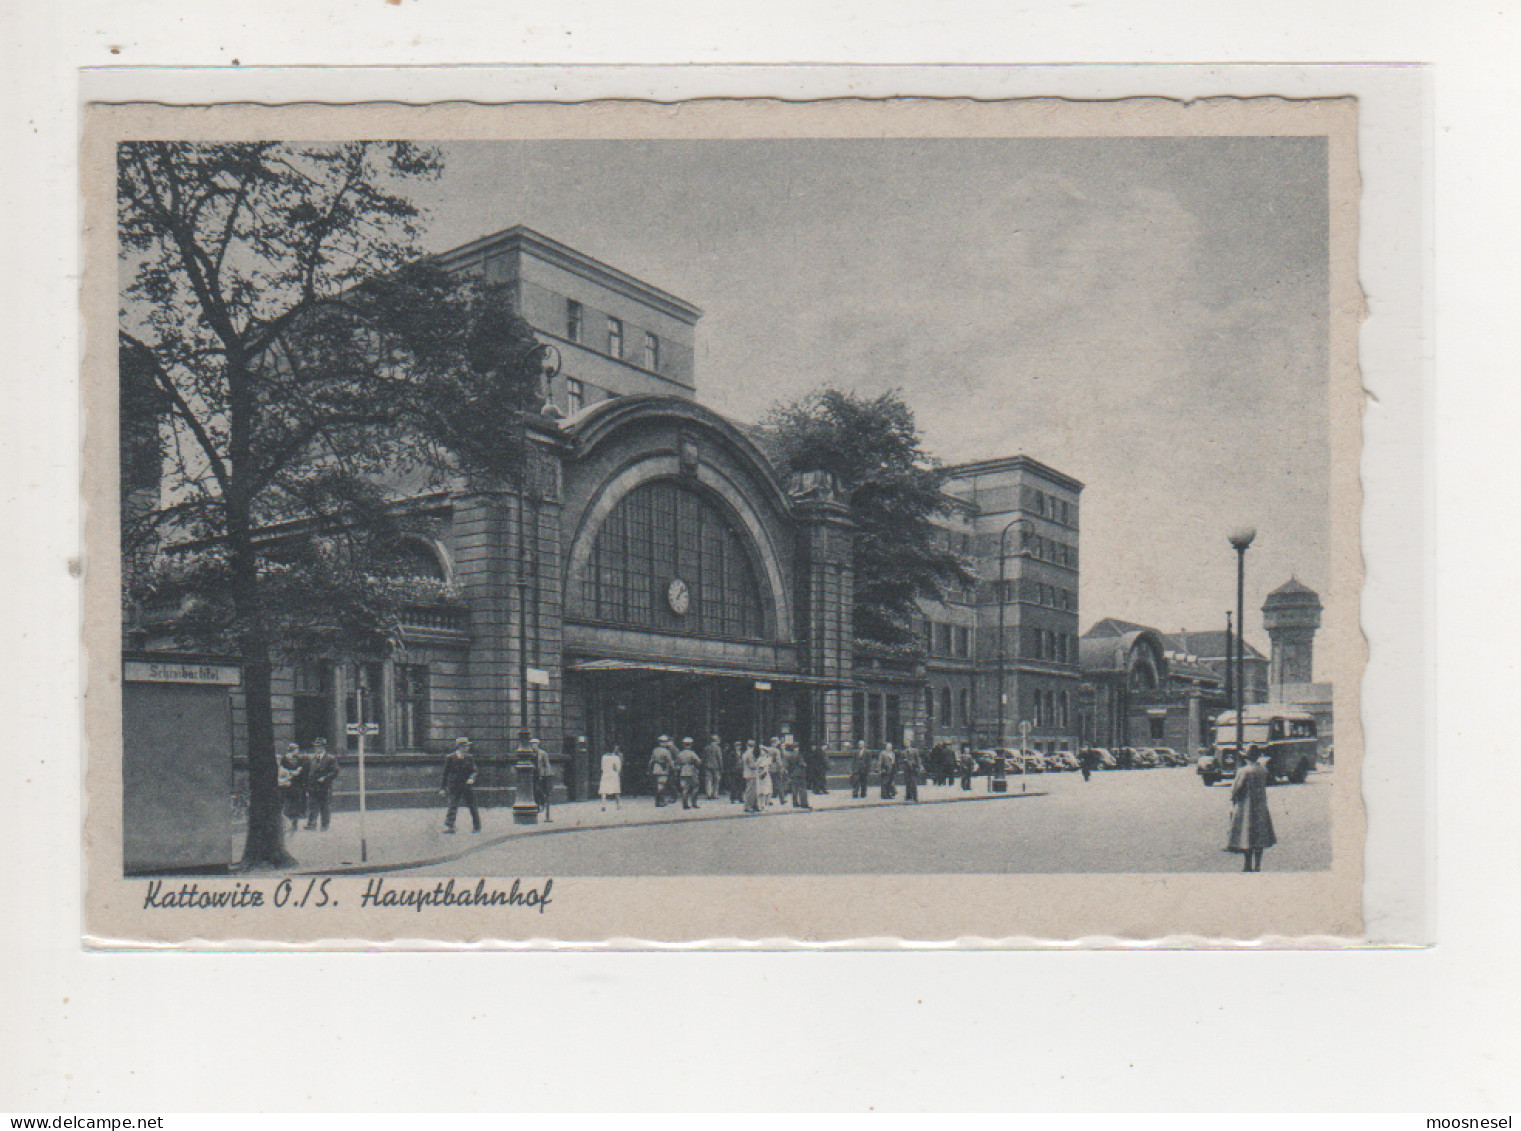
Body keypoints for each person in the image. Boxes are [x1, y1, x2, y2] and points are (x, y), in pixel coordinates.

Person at [1225, 749, 1277, 872]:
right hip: (1260, 807)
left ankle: (1247, 865)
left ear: (1246, 757)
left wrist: (1233, 798)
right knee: (1259, 836)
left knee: (1246, 835)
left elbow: (1236, 788)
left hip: (1246, 807)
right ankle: (1258, 865)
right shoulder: (1263, 770)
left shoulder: (1243, 771)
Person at [440, 736, 481, 834]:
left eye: (467, 746)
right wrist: (442, 788)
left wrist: (471, 778)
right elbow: (445, 774)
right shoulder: (450, 757)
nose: (467, 748)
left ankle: (477, 826)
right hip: (454, 785)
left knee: (472, 806)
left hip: (467, 785)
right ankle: (449, 826)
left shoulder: (469, 757)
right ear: (460, 747)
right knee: (453, 805)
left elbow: (474, 771)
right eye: (465, 746)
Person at [304, 737, 339, 831]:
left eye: (318, 747)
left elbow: (335, 772)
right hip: (313, 787)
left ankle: (324, 825)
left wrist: (325, 778)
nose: (316, 748)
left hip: (325, 787)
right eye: (315, 746)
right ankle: (311, 824)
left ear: (323, 747)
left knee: (325, 806)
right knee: (312, 806)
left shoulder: (330, 758)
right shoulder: (312, 758)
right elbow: (308, 772)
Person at [278, 742, 307, 833]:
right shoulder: (283, 759)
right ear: (293, 750)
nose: (298, 751)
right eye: (297, 750)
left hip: (297, 786)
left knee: (296, 805)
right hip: (285, 786)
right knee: (286, 805)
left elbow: (302, 772)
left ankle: (294, 824)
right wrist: (292, 772)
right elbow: (280, 771)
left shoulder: (300, 760)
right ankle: (286, 824)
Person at [531, 737, 555, 823]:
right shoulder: (529, 754)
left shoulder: (542, 754)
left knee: (539, 790)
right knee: (534, 791)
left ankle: (541, 804)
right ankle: (537, 806)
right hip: (532, 775)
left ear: (537, 745)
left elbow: (547, 765)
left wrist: (546, 775)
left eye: (535, 744)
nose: (533, 746)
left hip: (540, 775)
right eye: (532, 744)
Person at [676, 737, 702, 810]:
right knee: (695, 787)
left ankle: (685, 804)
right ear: (691, 744)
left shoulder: (680, 754)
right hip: (692, 771)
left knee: (685, 788)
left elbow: (677, 763)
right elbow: (698, 762)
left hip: (683, 771)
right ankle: (694, 803)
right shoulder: (692, 753)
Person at [648, 736, 675, 807]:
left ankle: (659, 801)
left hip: (656, 768)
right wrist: (673, 768)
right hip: (663, 769)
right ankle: (660, 801)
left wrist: (649, 769)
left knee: (658, 785)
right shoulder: (666, 751)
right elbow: (670, 761)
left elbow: (651, 761)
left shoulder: (655, 750)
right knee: (662, 786)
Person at [786, 741, 811, 809]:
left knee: (794, 789)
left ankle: (795, 803)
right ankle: (804, 803)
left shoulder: (789, 755)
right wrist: (805, 764)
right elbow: (802, 763)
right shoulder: (799, 755)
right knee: (802, 789)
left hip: (793, 773)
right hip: (800, 773)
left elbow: (788, 765)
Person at [599, 744, 623, 811]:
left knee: (604, 790)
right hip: (613, 774)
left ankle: (603, 805)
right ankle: (618, 804)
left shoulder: (603, 757)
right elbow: (618, 768)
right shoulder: (616, 757)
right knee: (616, 790)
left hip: (605, 774)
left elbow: (602, 767)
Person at [701, 734, 724, 801]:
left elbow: (704, 757)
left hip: (707, 766)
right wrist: (721, 767)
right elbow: (719, 758)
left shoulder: (706, 747)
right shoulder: (717, 748)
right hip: (716, 766)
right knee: (717, 780)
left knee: (708, 780)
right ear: (716, 740)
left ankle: (709, 794)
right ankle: (715, 794)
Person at [742, 740, 761, 813]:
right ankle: (748, 806)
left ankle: (754, 805)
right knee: (751, 791)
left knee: (751, 791)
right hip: (751, 774)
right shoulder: (750, 754)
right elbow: (752, 766)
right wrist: (758, 761)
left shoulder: (745, 753)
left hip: (747, 774)